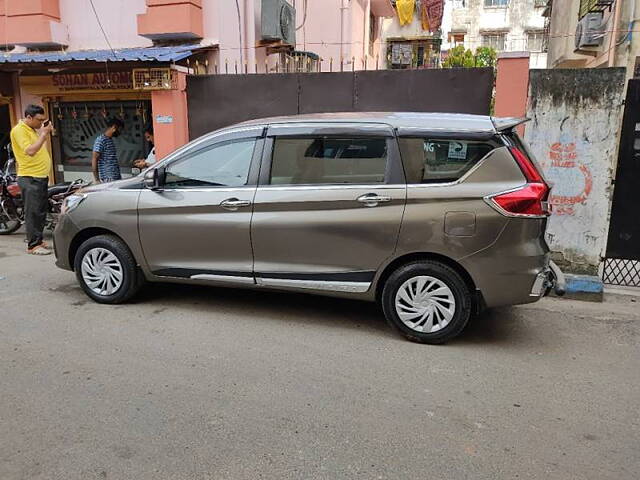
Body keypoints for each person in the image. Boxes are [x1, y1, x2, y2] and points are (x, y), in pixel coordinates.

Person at [10, 104, 54, 255]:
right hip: (30, 177)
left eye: (43, 120)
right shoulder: (19, 130)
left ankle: (39, 240)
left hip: (40, 176)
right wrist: (43, 134)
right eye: (38, 119)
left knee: (41, 211)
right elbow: (30, 151)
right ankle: (33, 246)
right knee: (33, 212)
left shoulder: (33, 130)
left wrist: (43, 132)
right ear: (28, 117)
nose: (41, 123)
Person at [92, 118, 124, 183]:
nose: (120, 132)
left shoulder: (110, 140)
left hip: (115, 177)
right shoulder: (101, 140)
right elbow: (94, 159)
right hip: (108, 178)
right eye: (120, 130)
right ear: (114, 128)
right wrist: (97, 179)